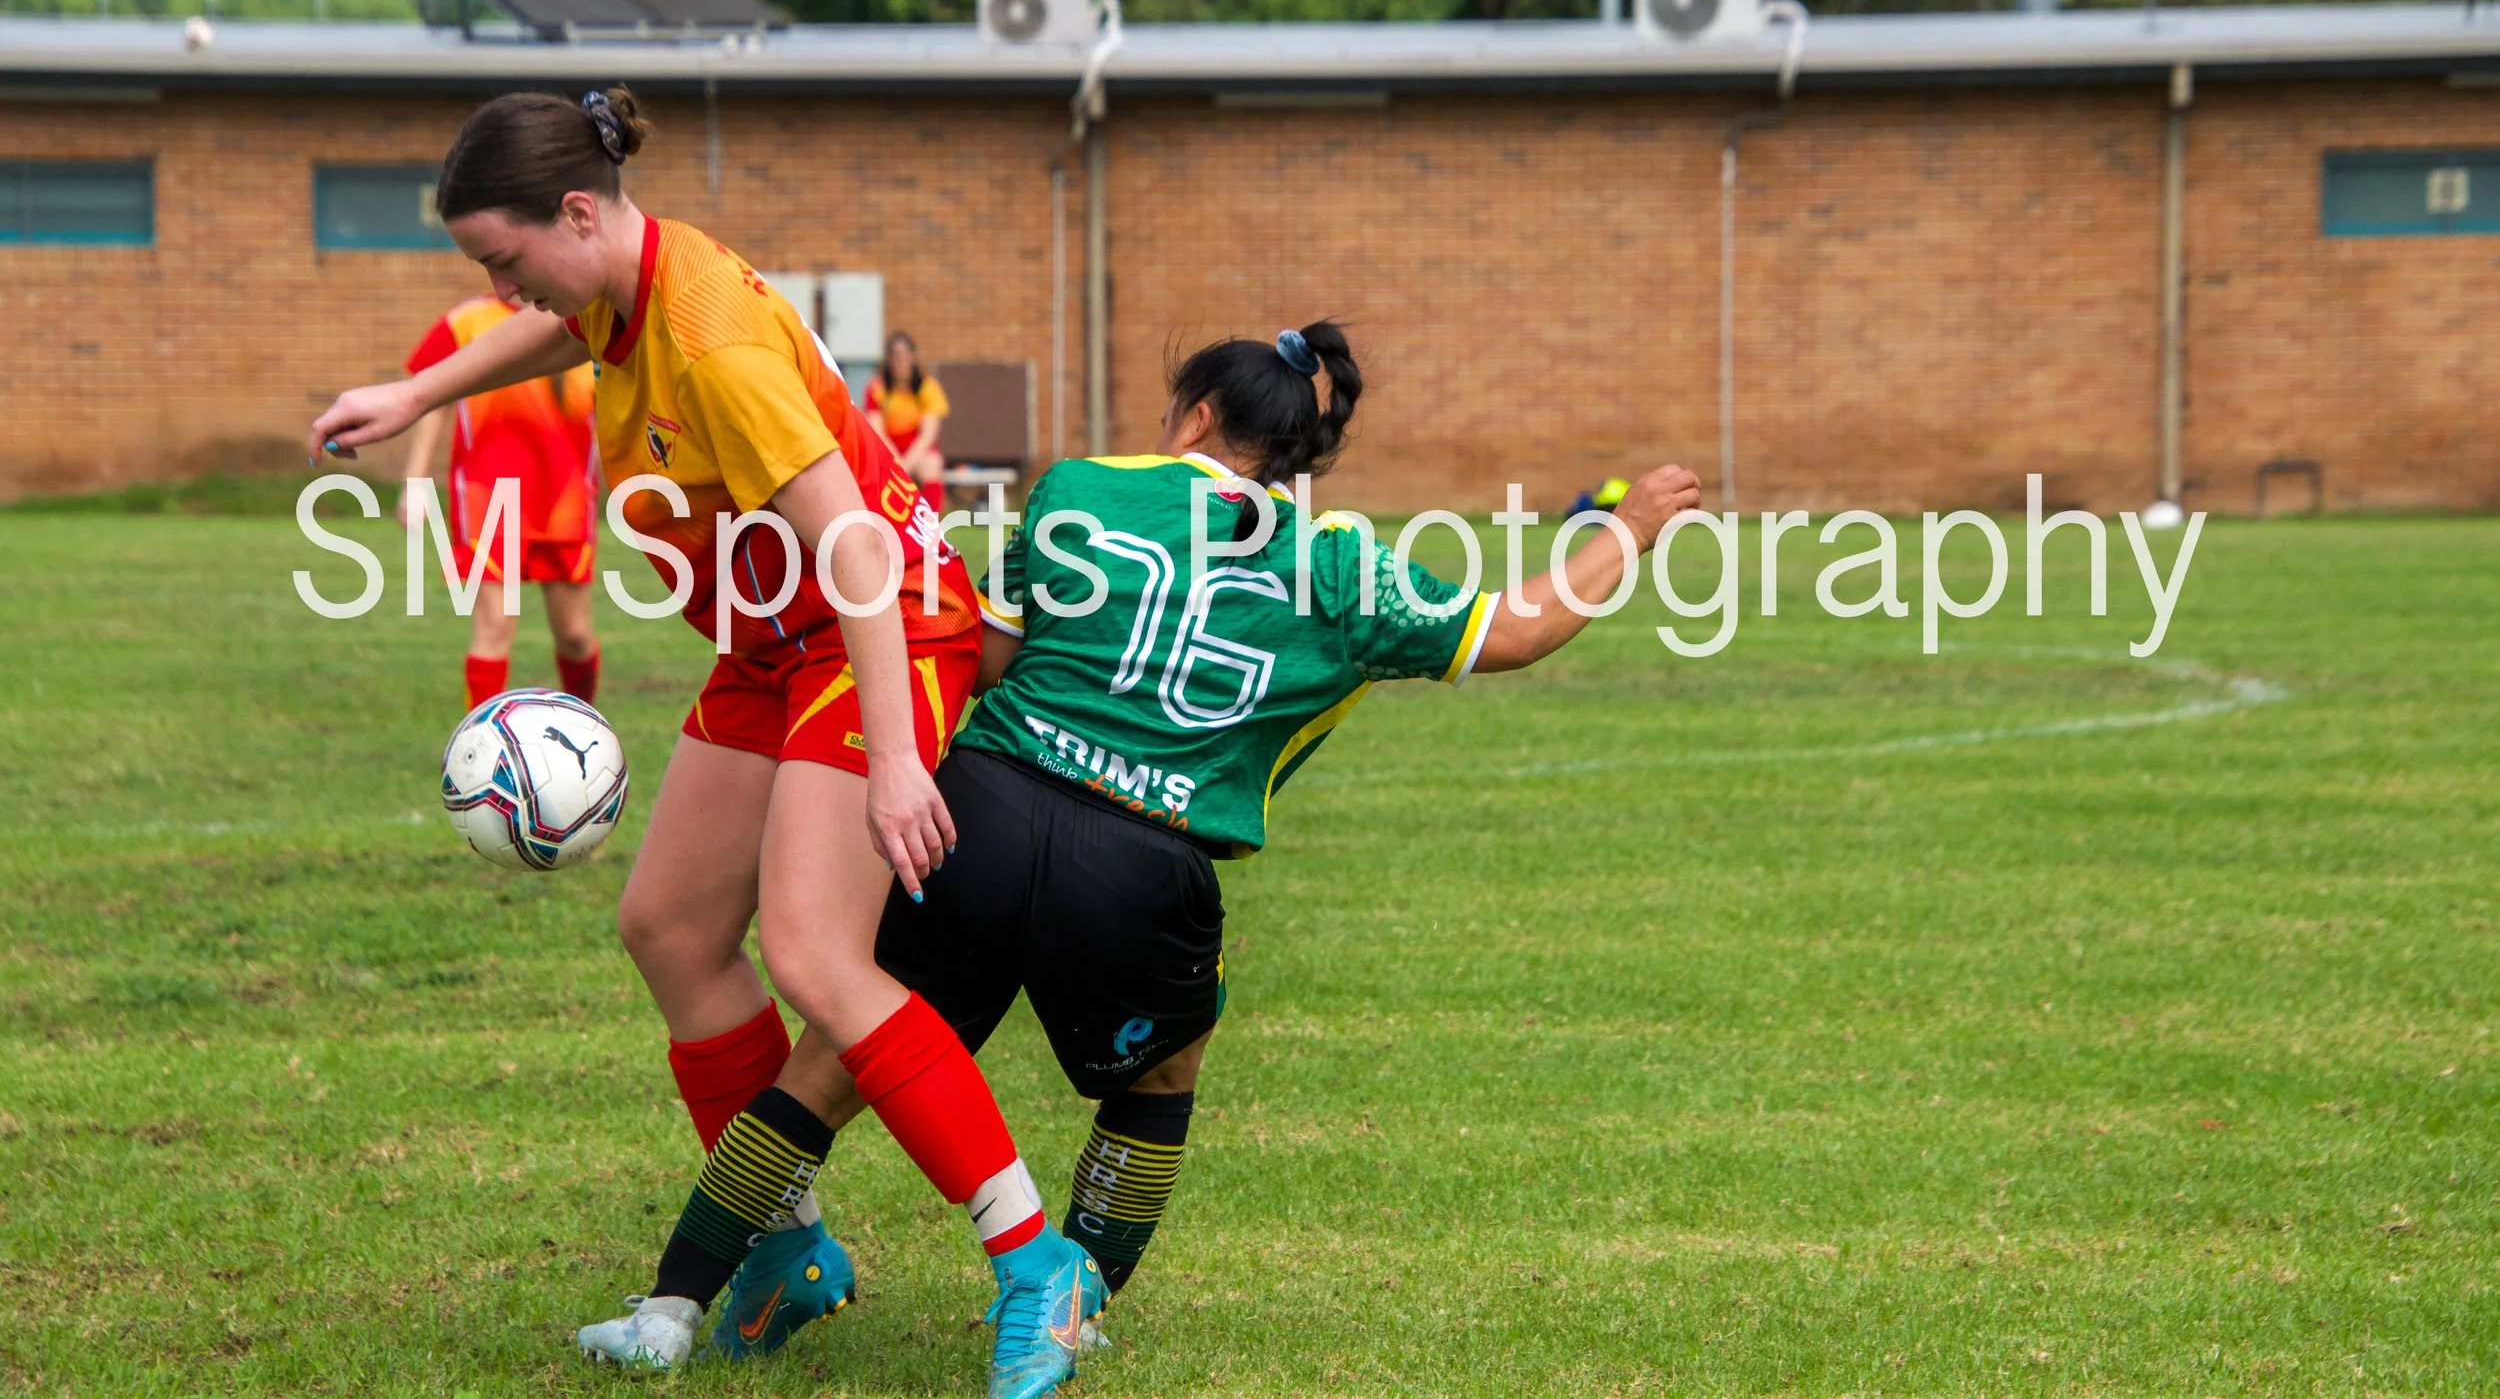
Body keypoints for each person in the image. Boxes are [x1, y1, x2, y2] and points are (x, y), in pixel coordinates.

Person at [627, 319, 1701, 1349]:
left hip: (980, 820)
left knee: (832, 1059)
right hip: (1145, 871)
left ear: (1194, 417)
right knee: (1162, 1073)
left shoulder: (1081, 489)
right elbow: (1517, 627)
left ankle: (673, 1309)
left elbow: (982, 662)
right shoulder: (1344, 566)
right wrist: (1632, 527)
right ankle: (1069, 1308)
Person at [308, 89, 1105, 1395]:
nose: (501, 292)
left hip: (876, 625)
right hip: (771, 641)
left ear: (577, 212)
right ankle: (785, 1248)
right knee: (670, 926)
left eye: (504, 259)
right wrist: (416, 391)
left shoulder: (712, 340)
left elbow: (859, 550)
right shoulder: (621, 281)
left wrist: (896, 760)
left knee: (816, 953)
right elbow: (558, 326)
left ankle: (1036, 1260)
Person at [396, 298, 602, 706]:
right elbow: (428, 397)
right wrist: (415, 480)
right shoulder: (467, 322)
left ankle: (586, 728)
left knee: (575, 635)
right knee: (494, 626)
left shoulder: (589, 318)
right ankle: (479, 740)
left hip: (564, 501)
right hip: (487, 498)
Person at [863, 330, 948, 511]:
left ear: (912, 357)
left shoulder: (928, 387)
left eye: (903, 354)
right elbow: (877, 432)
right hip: (888, 447)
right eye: (894, 355)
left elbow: (928, 435)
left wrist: (905, 465)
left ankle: (931, 521)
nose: (899, 360)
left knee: (932, 464)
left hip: (915, 448)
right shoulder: (876, 388)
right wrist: (896, 462)